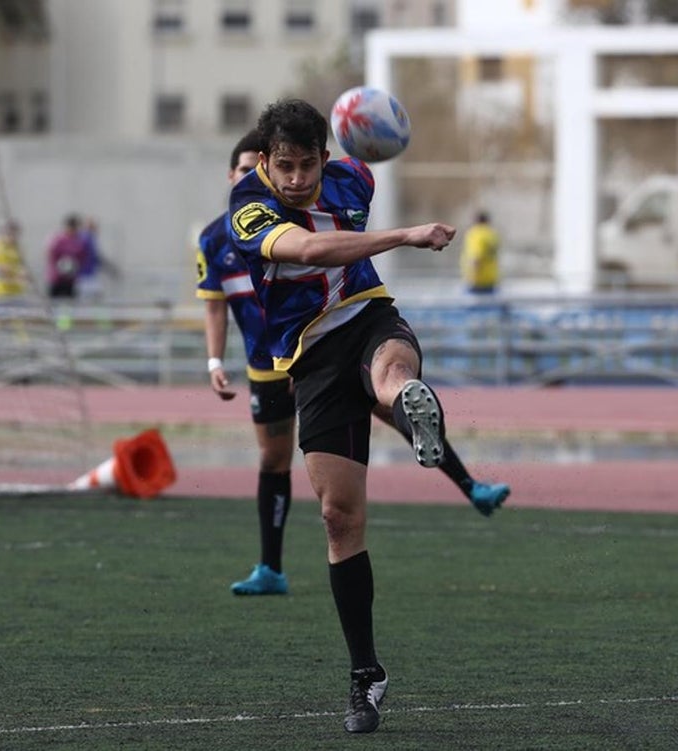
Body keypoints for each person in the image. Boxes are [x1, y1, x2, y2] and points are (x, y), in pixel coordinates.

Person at [227, 98, 509, 734]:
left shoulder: (355, 175)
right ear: (267, 163)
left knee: (391, 373)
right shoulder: (248, 205)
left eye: (308, 165)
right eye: (285, 166)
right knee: (337, 517)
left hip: (372, 315)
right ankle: (367, 674)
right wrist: (403, 235)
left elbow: (362, 155)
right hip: (309, 354)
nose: (297, 178)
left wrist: (372, 119)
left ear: (328, 157)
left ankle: (407, 397)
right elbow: (311, 249)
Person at [200, 130, 509, 598]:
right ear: (244, 172)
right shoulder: (231, 227)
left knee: (398, 399)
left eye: (307, 165)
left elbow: (342, 182)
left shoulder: (335, 185)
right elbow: (221, 302)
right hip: (276, 361)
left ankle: (468, 483)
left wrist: (364, 139)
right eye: (249, 169)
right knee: (278, 461)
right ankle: (270, 565)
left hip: (346, 332)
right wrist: (214, 361)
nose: (291, 177)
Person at [0, 219, 28, 303]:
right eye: (12, 234)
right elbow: (0, 270)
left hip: (17, 293)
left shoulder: (18, 247)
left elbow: (21, 266)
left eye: (17, 234)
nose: (15, 237)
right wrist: (17, 277)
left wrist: (24, 274)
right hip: (1, 293)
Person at [459, 210, 501, 295]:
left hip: (477, 281)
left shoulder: (476, 234)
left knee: (472, 305)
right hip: (491, 278)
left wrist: (473, 278)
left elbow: (476, 257)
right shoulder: (492, 234)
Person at [45, 214, 85, 299]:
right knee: (54, 303)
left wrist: (74, 267)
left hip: (70, 280)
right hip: (56, 279)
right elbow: (50, 254)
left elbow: (81, 257)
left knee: (70, 304)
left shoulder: (78, 242)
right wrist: (60, 267)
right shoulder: (58, 239)